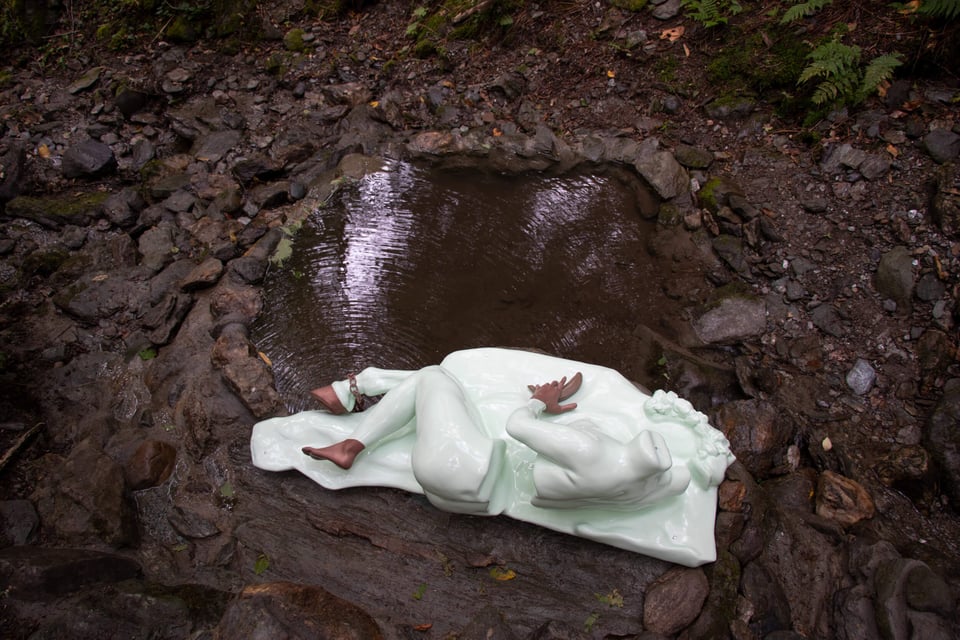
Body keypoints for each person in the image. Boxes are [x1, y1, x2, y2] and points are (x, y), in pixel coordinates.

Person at [250, 347, 734, 566]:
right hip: (484, 487)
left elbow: (517, 426)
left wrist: (538, 404)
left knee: (433, 380)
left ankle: (351, 440)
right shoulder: (651, 485)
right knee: (446, 390)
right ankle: (360, 389)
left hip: (466, 470)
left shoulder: (593, 449)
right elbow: (682, 491)